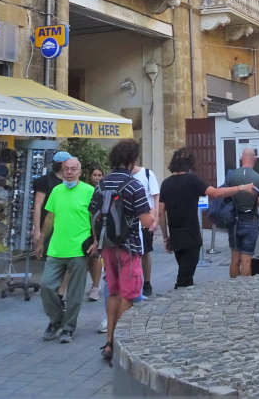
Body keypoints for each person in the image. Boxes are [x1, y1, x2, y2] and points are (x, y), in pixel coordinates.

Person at [90, 140, 154, 365]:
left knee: (114, 292)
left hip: (108, 246)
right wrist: (153, 217)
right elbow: (146, 221)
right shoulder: (134, 185)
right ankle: (120, 344)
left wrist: (98, 240)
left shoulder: (102, 183)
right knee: (128, 294)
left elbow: (93, 214)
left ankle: (109, 340)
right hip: (129, 246)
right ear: (132, 159)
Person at [157, 147, 255, 288]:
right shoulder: (192, 180)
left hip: (175, 236)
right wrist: (241, 188)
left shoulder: (166, 183)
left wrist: (166, 237)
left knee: (185, 273)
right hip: (191, 236)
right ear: (190, 163)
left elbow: (161, 212)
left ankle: (185, 301)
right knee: (184, 279)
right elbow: (215, 193)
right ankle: (179, 303)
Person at [39, 156, 94, 343]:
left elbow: (95, 219)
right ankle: (56, 320)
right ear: (62, 171)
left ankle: (68, 328)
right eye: (66, 169)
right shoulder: (56, 190)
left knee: (74, 293)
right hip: (56, 248)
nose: (69, 173)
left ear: (80, 172)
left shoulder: (89, 191)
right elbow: (49, 217)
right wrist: (41, 240)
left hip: (79, 249)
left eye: (73, 169)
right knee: (46, 285)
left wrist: (95, 242)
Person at [225, 148, 259, 278]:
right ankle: (244, 293)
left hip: (234, 220)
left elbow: (225, 198)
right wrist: (256, 197)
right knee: (246, 260)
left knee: (234, 259)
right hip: (250, 220)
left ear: (241, 158)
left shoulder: (231, 176)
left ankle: (233, 287)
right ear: (254, 159)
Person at [131, 157, 160, 297]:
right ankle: (134, 282)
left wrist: (155, 218)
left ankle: (147, 282)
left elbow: (155, 197)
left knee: (145, 252)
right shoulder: (122, 176)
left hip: (145, 219)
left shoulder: (147, 174)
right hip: (129, 220)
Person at [32, 150, 70, 253]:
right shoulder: (45, 181)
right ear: (63, 165)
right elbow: (38, 206)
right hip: (48, 226)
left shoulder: (70, 182)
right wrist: (37, 231)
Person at [86, 167, 104, 301]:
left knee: (96, 257)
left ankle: (96, 287)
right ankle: (93, 284)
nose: (97, 177)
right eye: (94, 175)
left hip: (97, 228)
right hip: (84, 227)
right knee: (88, 258)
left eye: (100, 175)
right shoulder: (85, 189)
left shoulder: (103, 190)